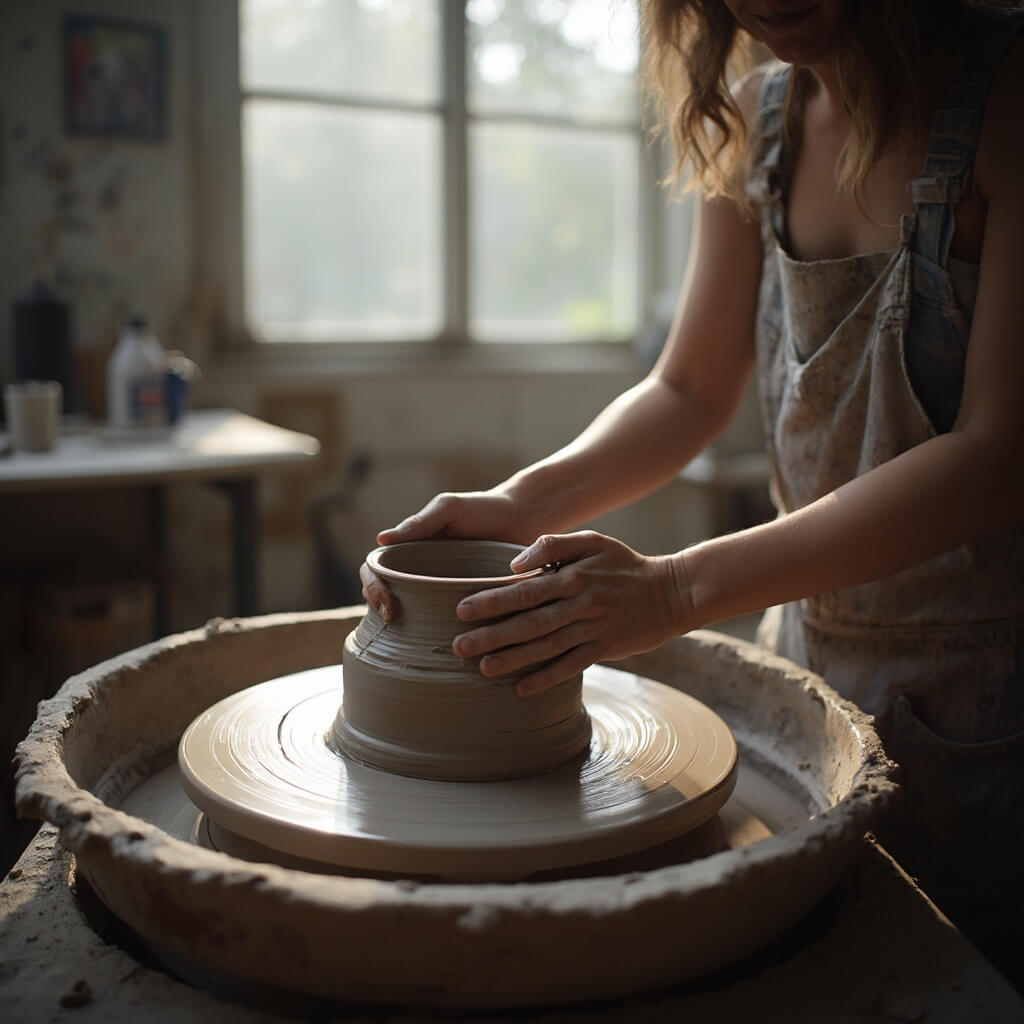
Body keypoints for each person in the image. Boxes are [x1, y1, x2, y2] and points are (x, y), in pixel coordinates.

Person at [361, 0, 1024, 987]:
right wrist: (520, 500)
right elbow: (688, 388)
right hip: (812, 662)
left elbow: (996, 453)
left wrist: (673, 591)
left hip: (987, 699)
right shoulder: (758, 117)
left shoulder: (1007, 94)